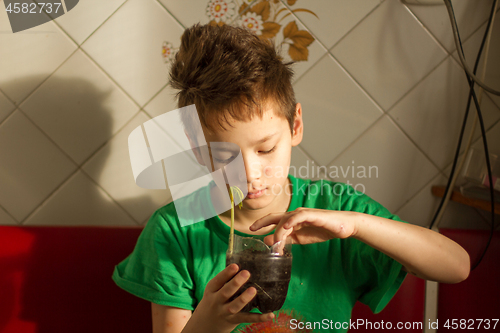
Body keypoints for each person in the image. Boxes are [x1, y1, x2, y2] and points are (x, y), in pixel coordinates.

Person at [112, 23, 470, 333]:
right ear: (193, 146)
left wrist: (356, 226)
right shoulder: (174, 231)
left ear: (295, 125)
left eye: (265, 149)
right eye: (223, 156)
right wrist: (211, 321)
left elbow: (457, 267)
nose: (249, 174)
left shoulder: (337, 211)